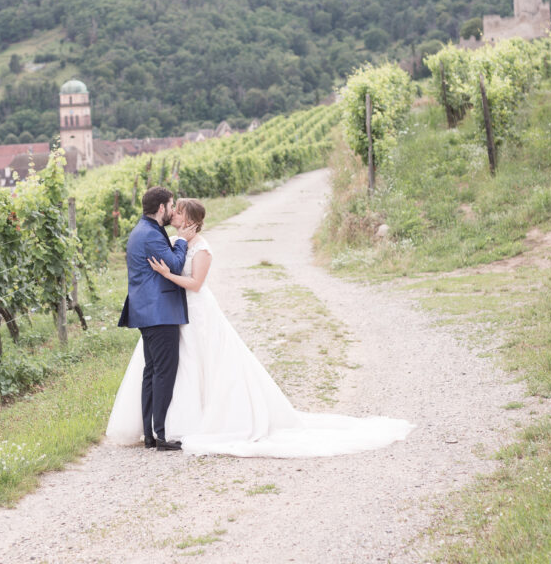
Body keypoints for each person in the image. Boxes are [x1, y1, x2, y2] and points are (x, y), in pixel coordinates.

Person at [107, 198, 414, 457]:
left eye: (179, 213)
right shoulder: (175, 241)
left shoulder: (201, 248)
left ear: (192, 221)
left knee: (208, 365)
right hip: (176, 314)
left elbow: (196, 284)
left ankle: (201, 422)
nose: (173, 215)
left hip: (198, 312)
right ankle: (174, 423)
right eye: (172, 211)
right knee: (182, 368)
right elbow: (168, 261)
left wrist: (168, 274)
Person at [116, 186, 197, 450]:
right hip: (159, 312)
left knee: (152, 372)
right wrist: (182, 241)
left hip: (149, 311)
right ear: (161, 208)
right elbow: (174, 265)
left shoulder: (144, 230)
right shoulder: (150, 235)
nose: (173, 210)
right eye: (171, 206)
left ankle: (151, 433)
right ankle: (160, 435)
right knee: (163, 372)